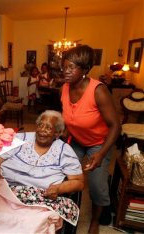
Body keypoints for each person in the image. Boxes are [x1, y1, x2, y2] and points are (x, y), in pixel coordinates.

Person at [0, 110, 84, 233]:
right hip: (7, 188)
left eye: (48, 127)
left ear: (57, 133)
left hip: (40, 196)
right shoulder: (21, 138)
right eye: (40, 125)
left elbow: (78, 182)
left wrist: (58, 188)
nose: (42, 130)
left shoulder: (64, 150)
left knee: (29, 224)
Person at [60, 45, 121, 234]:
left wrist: (102, 154)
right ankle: (66, 215)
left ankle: (95, 221)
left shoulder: (98, 91)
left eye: (72, 67)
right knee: (64, 175)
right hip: (76, 139)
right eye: (64, 66)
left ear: (85, 70)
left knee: (96, 185)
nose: (66, 71)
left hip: (99, 143)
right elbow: (69, 115)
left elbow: (116, 126)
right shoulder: (64, 87)